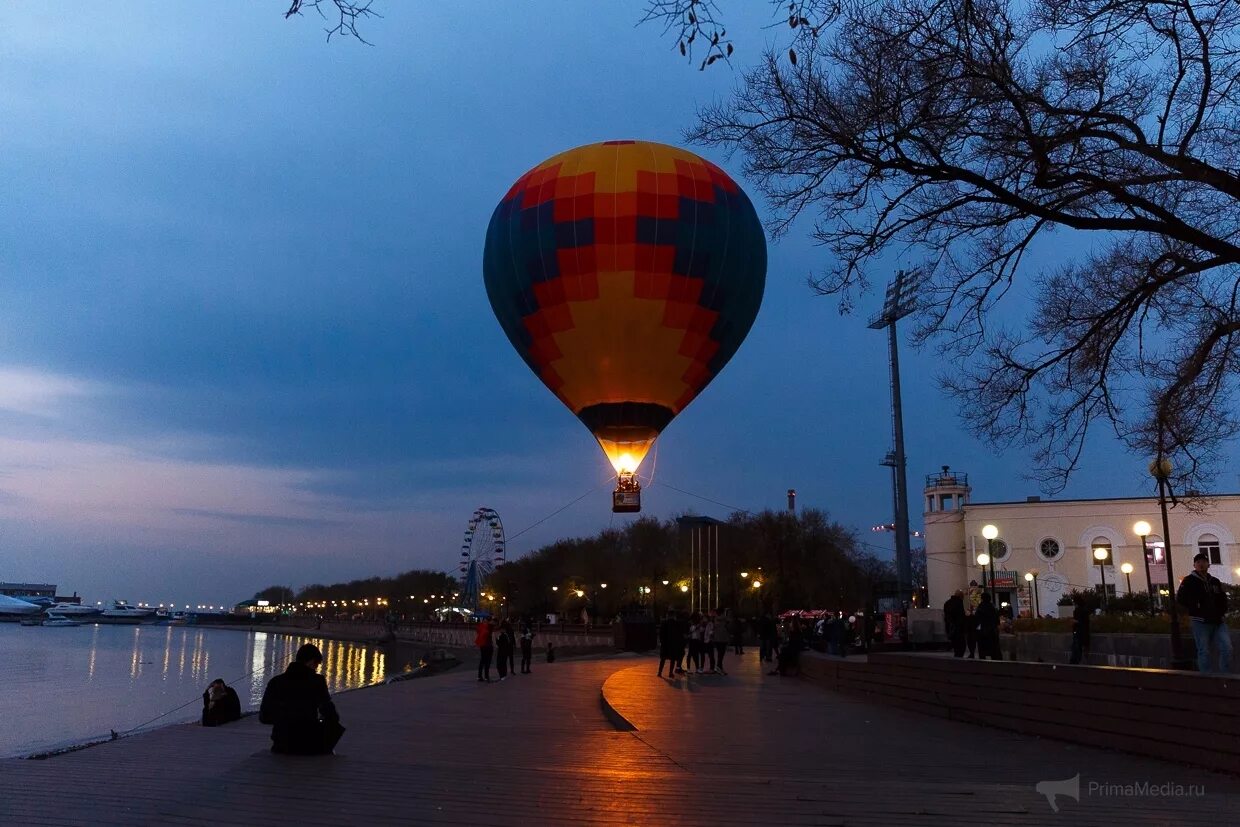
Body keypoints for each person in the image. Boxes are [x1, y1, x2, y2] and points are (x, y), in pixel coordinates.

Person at [259, 643, 343, 755]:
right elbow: (331, 715)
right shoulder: (317, 681)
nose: (316, 669)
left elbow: (264, 717)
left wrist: (284, 719)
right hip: (309, 743)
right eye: (317, 665)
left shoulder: (276, 682)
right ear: (311, 662)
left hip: (282, 743)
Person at [1177, 552, 1233, 674]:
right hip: (1200, 621)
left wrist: (1222, 611)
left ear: (1208, 564)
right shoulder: (1189, 581)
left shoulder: (1214, 581)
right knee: (1204, 650)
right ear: (1194, 565)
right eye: (1198, 562)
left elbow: (1222, 597)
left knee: (1227, 648)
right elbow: (1180, 598)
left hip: (1218, 621)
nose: (1201, 564)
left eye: (1203, 562)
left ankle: (1225, 676)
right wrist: (1195, 607)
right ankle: (1206, 677)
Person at [975, 592, 1001, 660]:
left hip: (982, 631)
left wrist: (977, 629)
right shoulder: (993, 607)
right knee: (993, 648)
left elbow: (977, 620)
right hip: (992, 630)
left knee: (982, 649)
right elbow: (997, 620)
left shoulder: (980, 607)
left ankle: (983, 661)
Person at [1069, 592, 1093, 664]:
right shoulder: (1084, 610)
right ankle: (1077, 661)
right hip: (1083, 632)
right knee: (1079, 647)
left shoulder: (1078, 610)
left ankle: (1075, 662)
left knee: (1076, 648)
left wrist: (1074, 621)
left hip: (1078, 632)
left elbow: (1079, 621)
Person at [657, 610, 682, 678]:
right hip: (673, 644)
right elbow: (679, 634)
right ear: (674, 616)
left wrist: (661, 642)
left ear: (667, 615)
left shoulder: (664, 623)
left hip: (665, 644)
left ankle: (660, 672)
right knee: (672, 659)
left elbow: (661, 633)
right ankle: (670, 673)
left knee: (663, 659)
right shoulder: (676, 623)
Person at [943, 590, 967, 658]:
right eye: (963, 597)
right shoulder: (959, 603)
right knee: (961, 645)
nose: (963, 598)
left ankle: (957, 658)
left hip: (950, 628)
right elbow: (960, 617)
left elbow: (946, 615)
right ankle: (959, 659)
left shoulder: (947, 603)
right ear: (960, 596)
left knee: (956, 645)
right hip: (958, 628)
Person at [965, 580, 983, 658]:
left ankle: (973, 652)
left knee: (972, 639)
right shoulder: (976, 593)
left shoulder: (974, 593)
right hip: (975, 621)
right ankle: (978, 653)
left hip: (972, 621)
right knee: (975, 638)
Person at [712, 611, 730, 675]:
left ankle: (719, 667)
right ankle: (719, 667)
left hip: (717, 639)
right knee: (721, 654)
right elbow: (728, 628)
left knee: (720, 653)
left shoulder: (715, 619)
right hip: (723, 639)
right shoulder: (725, 620)